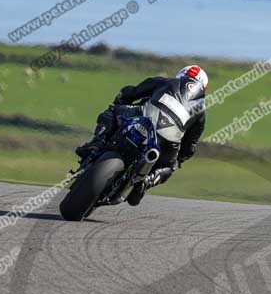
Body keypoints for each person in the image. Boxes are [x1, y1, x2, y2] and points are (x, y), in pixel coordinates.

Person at [75, 65, 208, 205]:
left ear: (181, 75)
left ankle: (96, 144)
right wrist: (181, 157)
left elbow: (132, 92)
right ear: (203, 88)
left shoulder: (166, 82)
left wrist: (121, 101)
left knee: (111, 113)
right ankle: (147, 181)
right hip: (168, 141)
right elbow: (190, 145)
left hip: (144, 118)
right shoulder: (201, 110)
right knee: (168, 167)